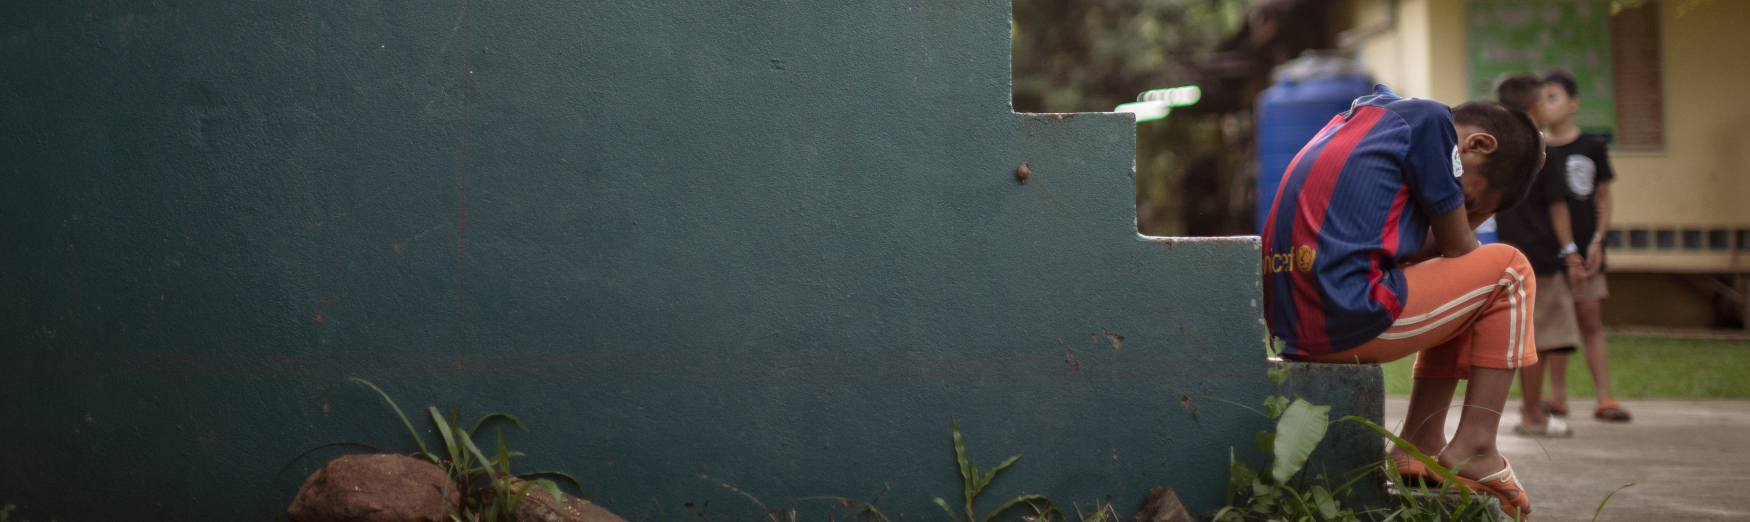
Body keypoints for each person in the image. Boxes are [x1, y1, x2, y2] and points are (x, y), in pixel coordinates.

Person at [1261, 85, 1544, 517]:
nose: (1465, 215)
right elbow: (1463, 252)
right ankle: (1478, 445)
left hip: (1300, 315)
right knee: (1509, 270)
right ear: (1478, 145)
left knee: (1472, 285)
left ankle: (1419, 442)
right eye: (1469, 202)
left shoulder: (1371, 120)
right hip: (1344, 312)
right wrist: (1521, 165)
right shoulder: (1432, 124)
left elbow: (1440, 265)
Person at [1493, 73, 1586, 437]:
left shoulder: (1497, 146)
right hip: (1543, 259)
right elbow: (1557, 207)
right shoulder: (1540, 147)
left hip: (1509, 256)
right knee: (1539, 341)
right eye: (1544, 101)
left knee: (1522, 337)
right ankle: (1532, 413)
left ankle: (1528, 408)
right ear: (1534, 108)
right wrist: (1571, 253)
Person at [1536, 70, 1631, 422]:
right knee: (1556, 323)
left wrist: (1597, 241)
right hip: (1550, 252)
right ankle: (1556, 396)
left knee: (1590, 318)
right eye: (1542, 97)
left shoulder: (1592, 146)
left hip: (1588, 250)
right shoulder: (1539, 147)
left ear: (1574, 103)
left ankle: (1605, 398)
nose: (1547, 104)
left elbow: (1604, 199)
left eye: (1554, 96)